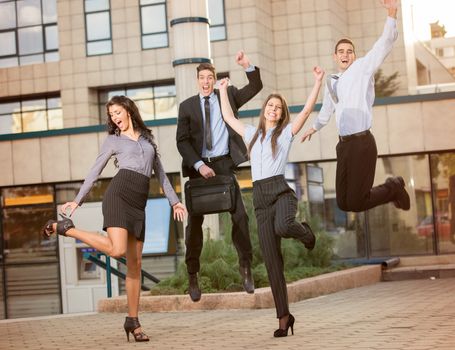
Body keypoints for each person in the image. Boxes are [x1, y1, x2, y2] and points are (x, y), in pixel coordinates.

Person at [42, 95, 186, 342]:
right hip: (118, 195)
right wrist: (77, 200)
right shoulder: (112, 140)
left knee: (135, 265)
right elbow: (94, 171)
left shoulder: (147, 139)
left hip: (139, 204)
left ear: (128, 110)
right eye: (111, 115)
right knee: (117, 250)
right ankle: (68, 229)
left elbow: (161, 174)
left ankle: (133, 321)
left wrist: (175, 201)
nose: (115, 118)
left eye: (118, 112)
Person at [218, 66, 324, 337]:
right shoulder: (251, 133)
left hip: (281, 192)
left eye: (278, 107)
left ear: (281, 113)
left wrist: (318, 82)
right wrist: (221, 90)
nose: (273, 109)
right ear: (264, 109)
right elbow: (228, 116)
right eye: (270, 105)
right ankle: (284, 317)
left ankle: (306, 233)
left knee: (284, 226)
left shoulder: (285, 133)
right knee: (272, 263)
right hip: (260, 198)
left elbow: (306, 112)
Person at [301, 0, 410, 213]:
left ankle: (393, 187)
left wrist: (391, 12)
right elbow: (327, 108)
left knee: (358, 201)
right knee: (343, 203)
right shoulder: (331, 80)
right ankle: (392, 188)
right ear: (335, 56)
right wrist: (314, 128)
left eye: (349, 51)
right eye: (341, 51)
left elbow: (384, 43)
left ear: (355, 56)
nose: (345, 54)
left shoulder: (362, 69)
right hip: (344, 146)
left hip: (362, 144)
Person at [176, 51, 263, 302]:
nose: (206, 82)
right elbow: (181, 142)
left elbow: (255, 85)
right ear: (197, 80)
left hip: (224, 165)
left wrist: (246, 64)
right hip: (199, 170)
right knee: (193, 227)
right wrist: (199, 164)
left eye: (209, 77)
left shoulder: (228, 95)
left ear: (215, 80)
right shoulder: (187, 107)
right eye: (201, 78)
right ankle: (193, 274)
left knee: (241, 218)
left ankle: (245, 267)